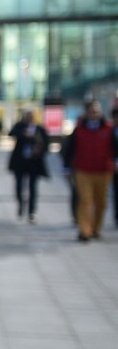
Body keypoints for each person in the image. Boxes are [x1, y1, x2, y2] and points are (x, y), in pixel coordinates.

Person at [61, 99, 115, 242]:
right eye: (91, 112)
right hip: (83, 170)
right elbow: (69, 150)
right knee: (85, 200)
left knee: (101, 202)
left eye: (96, 112)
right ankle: (84, 231)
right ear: (87, 113)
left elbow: (115, 148)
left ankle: (95, 229)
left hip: (103, 171)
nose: (94, 114)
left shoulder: (108, 129)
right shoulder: (79, 129)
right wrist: (66, 167)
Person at [6, 108, 48, 223]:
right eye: (28, 116)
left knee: (33, 187)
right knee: (19, 186)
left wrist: (38, 151)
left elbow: (46, 145)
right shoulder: (20, 126)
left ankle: (31, 212)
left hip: (34, 162)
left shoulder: (39, 129)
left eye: (32, 116)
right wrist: (23, 134)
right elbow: (11, 133)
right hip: (20, 162)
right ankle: (21, 203)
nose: (30, 118)